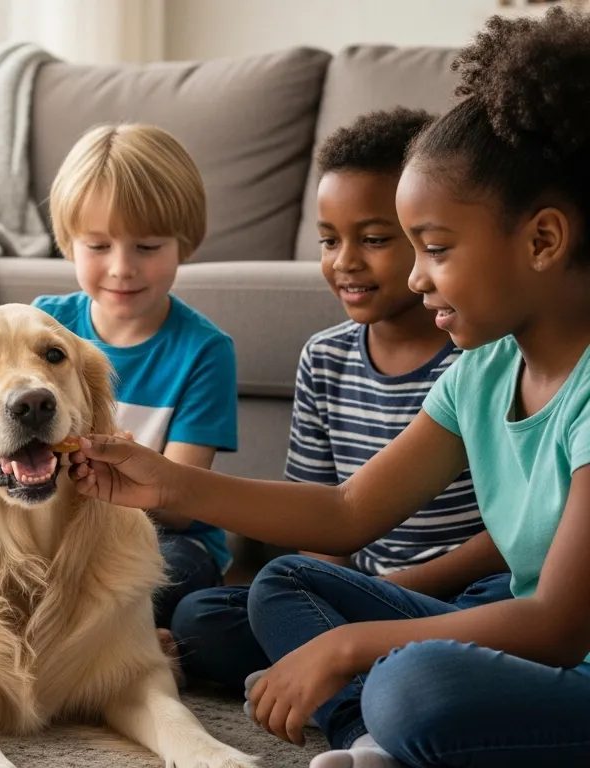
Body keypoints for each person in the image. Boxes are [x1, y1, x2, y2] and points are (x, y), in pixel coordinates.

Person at [67, 9, 590, 766]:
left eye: (435, 249)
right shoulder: (483, 369)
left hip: (559, 648)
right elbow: (347, 513)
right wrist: (166, 485)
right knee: (282, 581)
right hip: (534, 652)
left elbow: (557, 624)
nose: (416, 279)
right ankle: (371, 740)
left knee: (414, 686)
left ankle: (388, 719)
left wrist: (349, 646)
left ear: (542, 240)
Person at [168, 108, 511, 695]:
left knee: (485, 617)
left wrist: (399, 591)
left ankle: (357, 681)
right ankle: (360, 671)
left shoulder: (483, 358)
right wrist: (326, 598)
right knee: (204, 620)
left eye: (374, 240)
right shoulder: (324, 357)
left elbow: (511, 536)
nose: (344, 261)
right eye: (328, 240)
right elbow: (323, 517)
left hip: (465, 592)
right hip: (366, 593)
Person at [31, 123, 239, 633]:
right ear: (67, 243)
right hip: (60, 520)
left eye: (147, 246)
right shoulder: (43, 327)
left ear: (184, 243)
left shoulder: (205, 351)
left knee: (176, 574)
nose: (122, 268)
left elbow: (182, 508)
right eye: (98, 246)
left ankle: (119, 639)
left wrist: (115, 467)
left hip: (165, 534)